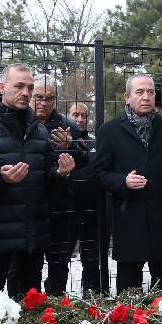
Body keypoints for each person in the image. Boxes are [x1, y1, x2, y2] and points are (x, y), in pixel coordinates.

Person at [0, 64, 75, 299]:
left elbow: (46, 176)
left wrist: (61, 173)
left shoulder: (38, 129)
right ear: (1, 87)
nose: (26, 92)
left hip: (33, 232)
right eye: (19, 86)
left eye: (30, 88)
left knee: (31, 300)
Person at [93, 74, 162, 293]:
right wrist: (122, 181)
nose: (146, 97)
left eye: (150, 92)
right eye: (140, 92)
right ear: (127, 97)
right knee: (128, 290)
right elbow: (97, 173)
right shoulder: (110, 130)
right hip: (129, 223)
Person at [29, 75, 88, 295]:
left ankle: (55, 302)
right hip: (29, 203)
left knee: (59, 263)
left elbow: (85, 159)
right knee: (27, 265)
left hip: (60, 205)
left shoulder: (67, 124)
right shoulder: (22, 120)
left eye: (49, 98)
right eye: (39, 97)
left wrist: (70, 145)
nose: (44, 103)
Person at [66, 102, 101, 293]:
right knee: (62, 258)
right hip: (68, 211)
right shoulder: (60, 143)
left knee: (92, 260)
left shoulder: (96, 143)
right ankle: (57, 299)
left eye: (84, 116)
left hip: (92, 211)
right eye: (75, 115)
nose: (80, 119)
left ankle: (92, 296)